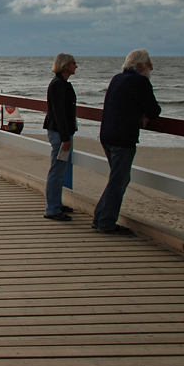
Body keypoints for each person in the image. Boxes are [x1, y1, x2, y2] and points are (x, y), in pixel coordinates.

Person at [92, 49, 161, 236]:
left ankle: (100, 217)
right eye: (149, 64)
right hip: (123, 138)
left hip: (107, 135)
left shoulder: (117, 79)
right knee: (119, 180)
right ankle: (106, 222)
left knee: (117, 179)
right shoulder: (140, 82)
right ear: (139, 66)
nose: (151, 68)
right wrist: (144, 114)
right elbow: (154, 110)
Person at [42, 53, 78, 222]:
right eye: (73, 63)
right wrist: (65, 137)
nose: (76, 66)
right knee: (57, 170)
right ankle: (52, 208)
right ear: (65, 65)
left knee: (60, 169)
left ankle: (56, 203)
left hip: (61, 132)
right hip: (59, 133)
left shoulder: (62, 84)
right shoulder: (58, 84)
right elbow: (58, 112)